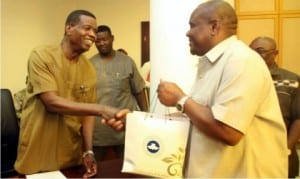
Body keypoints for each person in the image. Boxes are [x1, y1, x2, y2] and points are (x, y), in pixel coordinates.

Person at [104, 0, 289, 177]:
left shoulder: (240, 60)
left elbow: (228, 131)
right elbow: (197, 116)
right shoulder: (212, 63)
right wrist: (137, 122)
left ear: (214, 27)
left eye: (193, 25)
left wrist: (180, 99)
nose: (187, 33)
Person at [14, 10, 128, 178]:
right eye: (87, 28)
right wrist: (102, 109)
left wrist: (88, 151)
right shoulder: (42, 55)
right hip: (38, 154)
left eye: (95, 31)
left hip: (70, 157)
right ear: (69, 28)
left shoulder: (89, 69)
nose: (93, 35)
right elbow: (51, 102)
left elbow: (87, 116)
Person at [90, 25, 148, 161]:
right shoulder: (90, 65)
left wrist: (146, 115)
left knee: (129, 169)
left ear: (112, 38)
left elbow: (139, 90)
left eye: (105, 39)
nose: (102, 43)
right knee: (97, 170)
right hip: (99, 131)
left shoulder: (127, 62)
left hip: (125, 129)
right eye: (98, 41)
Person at [250, 36, 300, 178]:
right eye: (251, 51)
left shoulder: (292, 80)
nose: (256, 56)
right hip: (249, 154)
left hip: (281, 153)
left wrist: (285, 150)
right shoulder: (243, 77)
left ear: (275, 53)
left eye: (261, 51)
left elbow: (298, 118)